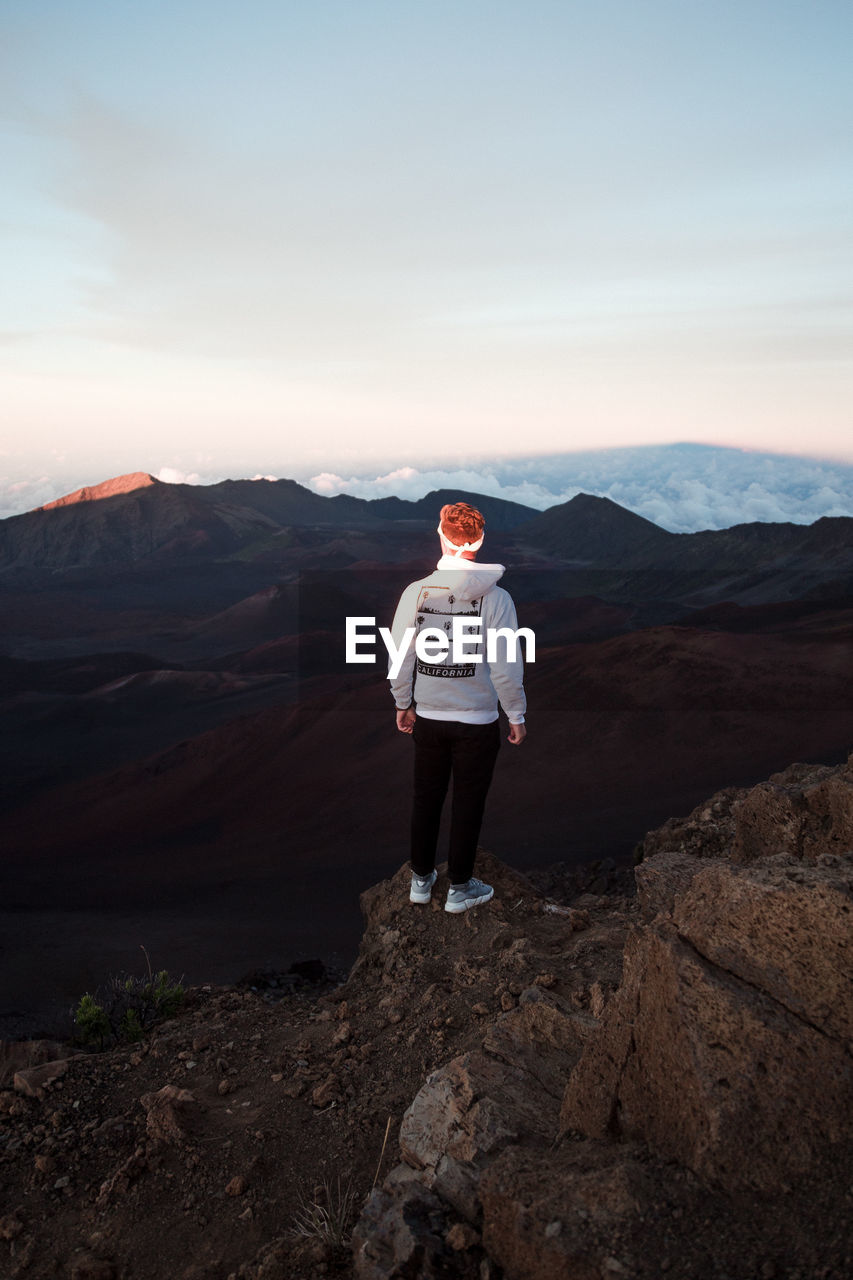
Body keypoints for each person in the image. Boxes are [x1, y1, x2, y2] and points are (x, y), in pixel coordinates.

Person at [387, 502, 527, 912]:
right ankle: (460, 888)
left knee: (425, 798)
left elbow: (400, 656)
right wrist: (514, 714)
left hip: (429, 718)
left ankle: (420, 880)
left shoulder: (416, 593)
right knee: (469, 802)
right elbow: (505, 666)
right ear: (480, 540)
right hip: (478, 722)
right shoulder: (498, 599)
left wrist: (402, 701)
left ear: (440, 536)